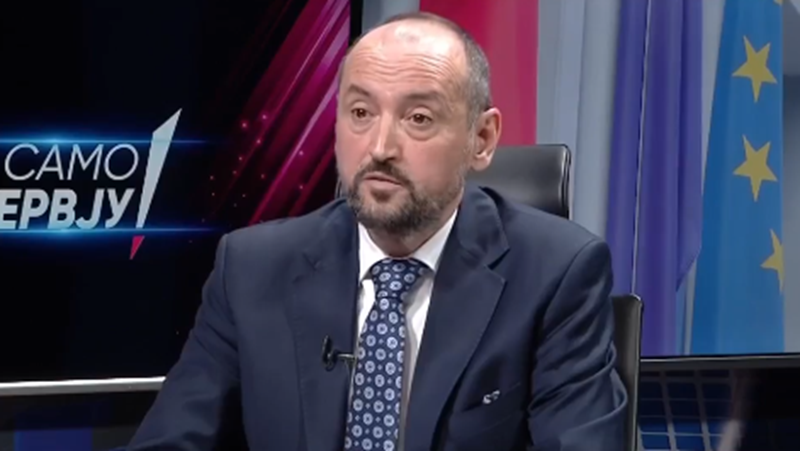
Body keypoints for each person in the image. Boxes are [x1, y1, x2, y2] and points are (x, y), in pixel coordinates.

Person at [128, 11, 627, 451]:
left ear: (481, 138)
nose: (380, 146)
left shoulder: (556, 274)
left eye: (418, 118)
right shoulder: (250, 268)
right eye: (361, 113)